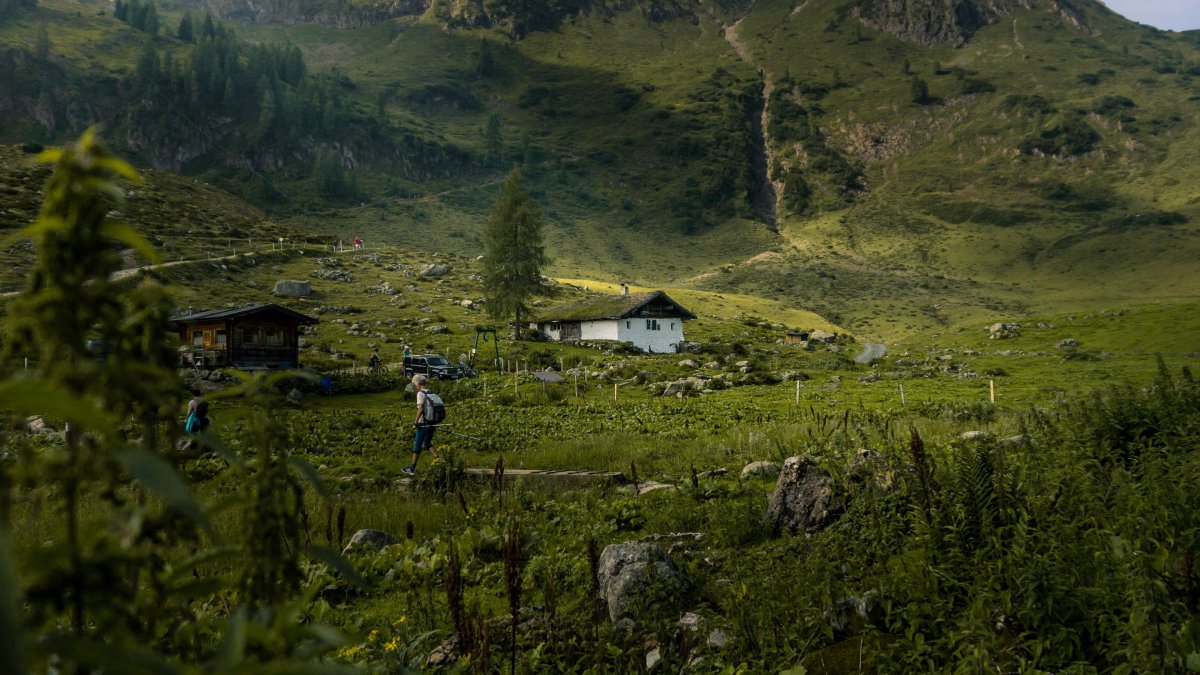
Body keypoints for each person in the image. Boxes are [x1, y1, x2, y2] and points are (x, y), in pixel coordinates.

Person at [403, 374, 438, 475]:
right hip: (432, 422)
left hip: (423, 423)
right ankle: (439, 460)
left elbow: (421, 409)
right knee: (427, 443)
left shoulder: (420, 394)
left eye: (414, 384)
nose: (414, 386)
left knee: (417, 445)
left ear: (418, 384)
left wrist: (416, 422)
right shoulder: (431, 392)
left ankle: (411, 469)